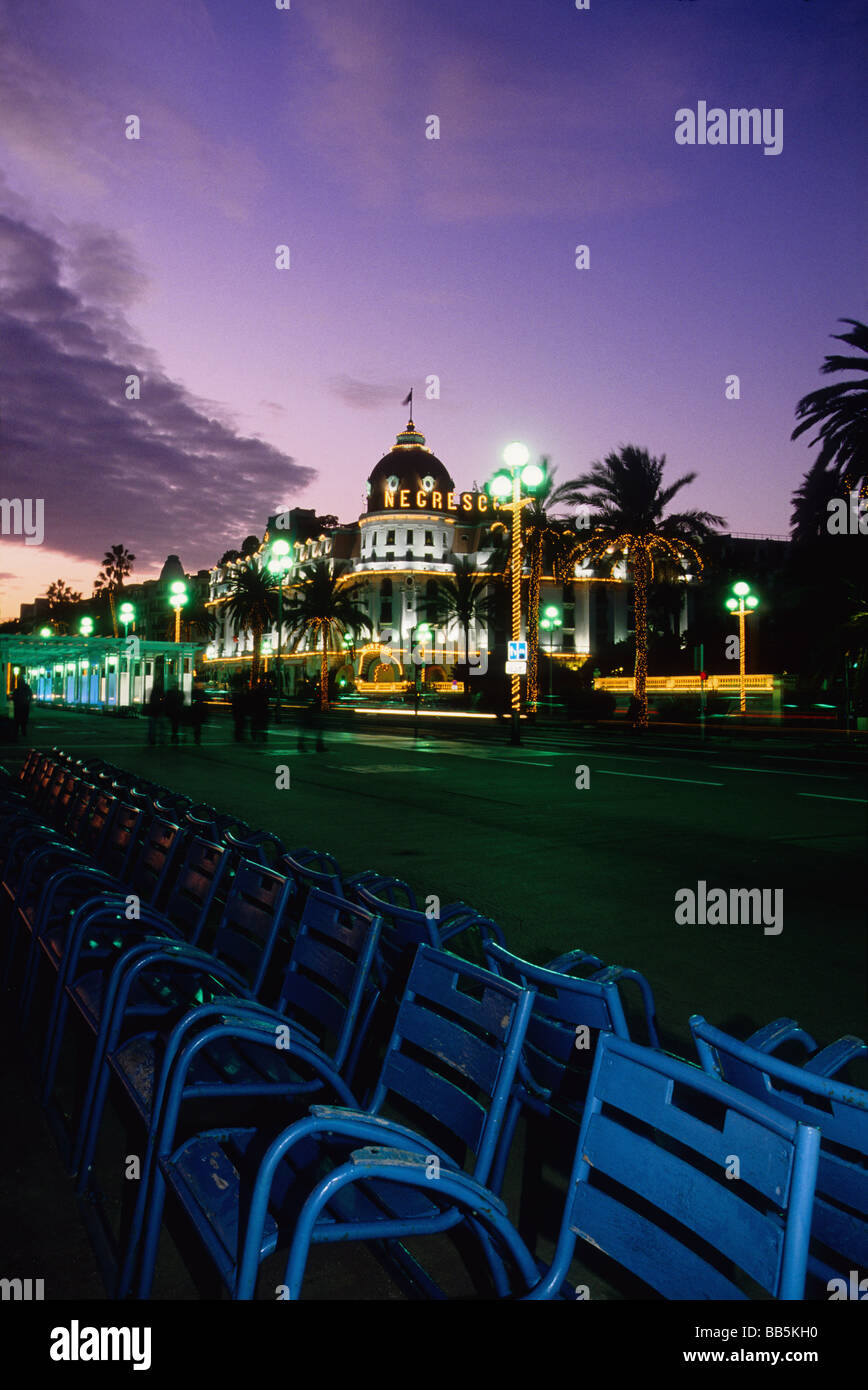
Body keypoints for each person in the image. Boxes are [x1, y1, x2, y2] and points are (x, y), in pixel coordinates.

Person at [190, 681, 207, 745]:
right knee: (198, 725)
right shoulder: (202, 692)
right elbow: (208, 698)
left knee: (196, 725)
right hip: (200, 711)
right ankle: (197, 738)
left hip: (195, 710)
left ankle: (196, 738)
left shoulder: (194, 692)